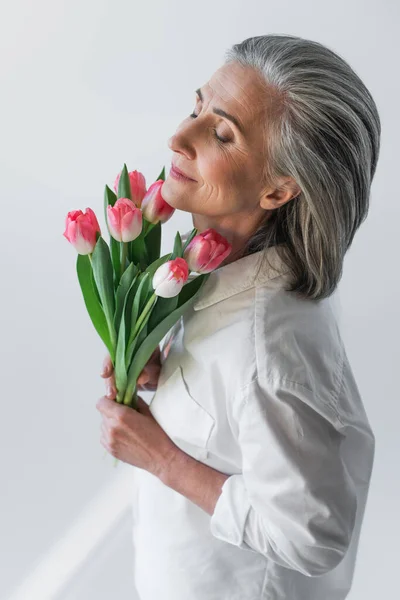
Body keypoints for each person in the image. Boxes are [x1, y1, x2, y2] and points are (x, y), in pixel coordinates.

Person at [98, 34, 380, 600]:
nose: (179, 136)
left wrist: (162, 459)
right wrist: (164, 369)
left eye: (221, 134)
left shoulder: (271, 343)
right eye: (197, 106)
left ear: (279, 189)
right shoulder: (226, 268)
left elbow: (313, 536)